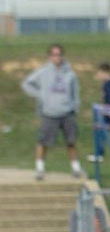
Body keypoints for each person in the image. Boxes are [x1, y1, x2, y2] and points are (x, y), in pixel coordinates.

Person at [21, 43, 83, 181]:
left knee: (71, 142)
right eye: (54, 54)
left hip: (67, 112)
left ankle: (76, 168)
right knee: (43, 142)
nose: (57, 57)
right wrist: (40, 95)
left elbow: (75, 92)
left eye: (59, 54)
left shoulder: (70, 73)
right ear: (50, 56)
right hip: (49, 113)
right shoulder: (43, 72)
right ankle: (40, 168)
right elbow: (27, 83)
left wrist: (75, 107)